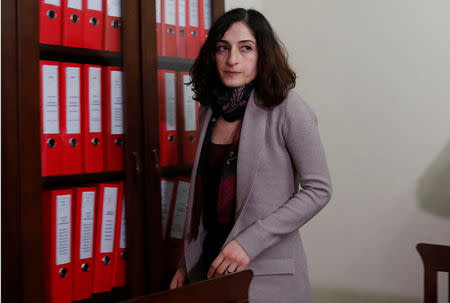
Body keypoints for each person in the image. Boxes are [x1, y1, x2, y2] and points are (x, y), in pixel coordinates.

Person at [169, 8, 332, 303]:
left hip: (266, 275)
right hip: (208, 271)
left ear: (262, 55)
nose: (233, 59)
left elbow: (319, 190)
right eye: (223, 48)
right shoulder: (209, 111)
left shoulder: (287, 108)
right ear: (213, 55)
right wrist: (186, 263)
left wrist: (248, 242)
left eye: (246, 48)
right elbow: (206, 199)